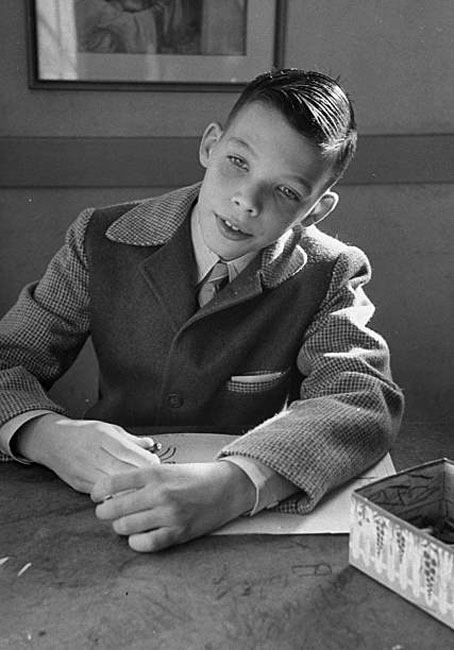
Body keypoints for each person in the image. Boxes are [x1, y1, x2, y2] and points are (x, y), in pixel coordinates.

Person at [0, 69, 404, 552]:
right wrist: (45, 434)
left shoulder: (331, 271)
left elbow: (361, 398)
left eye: (287, 192)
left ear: (317, 210)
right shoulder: (100, 238)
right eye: (238, 161)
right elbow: (8, 358)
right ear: (210, 146)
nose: (246, 201)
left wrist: (238, 482)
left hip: (239, 525)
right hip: (102, 504)